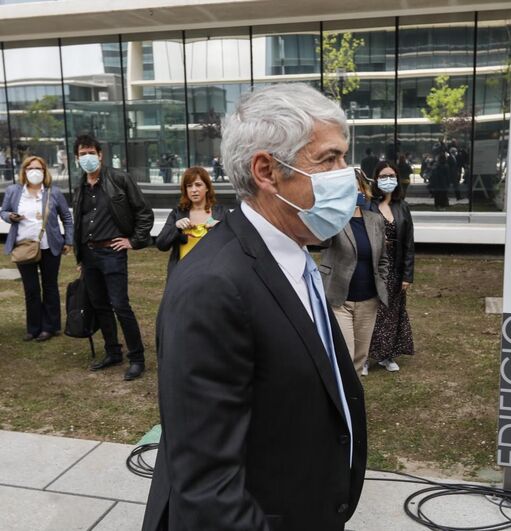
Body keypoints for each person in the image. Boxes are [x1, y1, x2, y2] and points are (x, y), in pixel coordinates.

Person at [143, 84, 367, 531]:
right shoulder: (213, 286)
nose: (346, 174)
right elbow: (208, 489)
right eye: (328, 159)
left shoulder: (293, 252)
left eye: (344, 158)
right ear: (266, 170)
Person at [72, 134, 154, 381]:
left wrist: (133, 240)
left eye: (90, 152)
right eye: (82, 154)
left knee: (120, 305)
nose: (87, 157)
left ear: (100, 154)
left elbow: (144, 213)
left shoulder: (119, 178)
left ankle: (137, 358)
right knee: (100, 305)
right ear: (76, 158)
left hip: (113, 252)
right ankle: (113, 352)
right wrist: (80, 257)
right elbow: (79, 222)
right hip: (89, 254)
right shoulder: (80, 185)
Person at [320, 168, 388, 376]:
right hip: (340, 300)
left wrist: (382, 284)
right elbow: (320, 240)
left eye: (355, 186)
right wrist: (335, 210)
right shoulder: (333, 219)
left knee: (360, 358)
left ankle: (354, 402)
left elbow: (383, 258)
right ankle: (340, 403)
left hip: (369, 301)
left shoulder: (375, 220)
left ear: (362, 189)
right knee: (345, 356)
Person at [1, 156, 73, 341]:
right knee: (31, 289)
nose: (34, 171)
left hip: (49, 247)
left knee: (50, 287)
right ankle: (33, 327)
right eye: (30, 168)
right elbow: (3, 211)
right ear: (24, 171)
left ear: (44, 171)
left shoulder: (53, 192)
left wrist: (69, 240)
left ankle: (50, 326)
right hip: (24, 246)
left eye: (39, 168)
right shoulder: (14, 191)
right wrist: (10, 216)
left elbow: (67, 218)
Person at [368, 161, 415, 372]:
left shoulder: (402, 206)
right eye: (383, 176)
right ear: (376, 180)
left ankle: (387, 355)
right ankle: (365, 357)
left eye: (391, 175)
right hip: (373, 267)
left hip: (395, 268)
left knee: (393, 311)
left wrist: (407, 275)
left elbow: (409, 244)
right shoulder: (368, 205)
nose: (388, 180)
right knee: (371, 312)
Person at [155, 166, 228, 277]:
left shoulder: (221, 212)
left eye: (198, 185)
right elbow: (161, 244)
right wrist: (176, 227)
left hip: (213, 277)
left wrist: (221, 228)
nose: (194, 190)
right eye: (189, 186)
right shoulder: (177, 213)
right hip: (183, 277)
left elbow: (236, 244)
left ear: (207, 187)